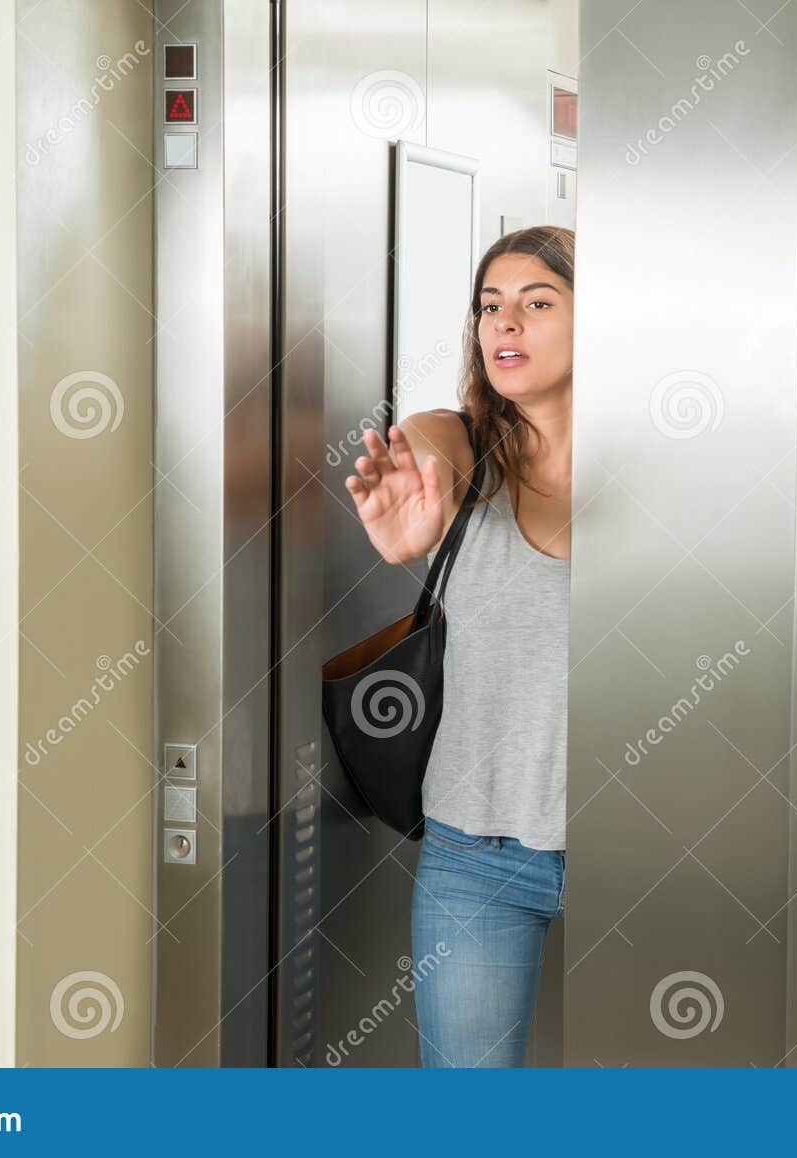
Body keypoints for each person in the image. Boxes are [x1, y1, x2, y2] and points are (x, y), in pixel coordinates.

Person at [342, 225, 574, 1067]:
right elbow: (431, 433)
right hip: (479, 856)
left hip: (647, 846)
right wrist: (418, 477)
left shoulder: (663, 467)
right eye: (490, 307)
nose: (505, 324)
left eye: (537, 303)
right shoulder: (471, 453)